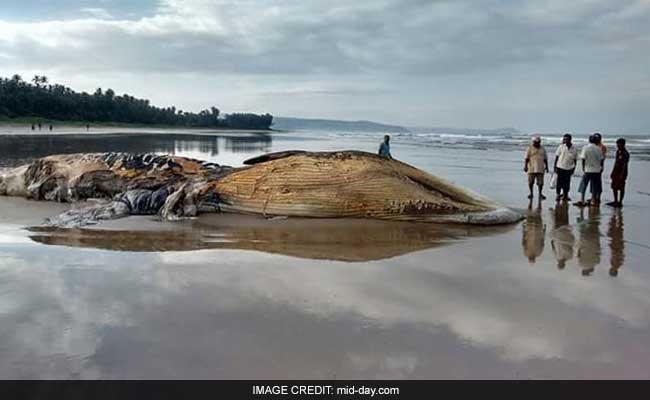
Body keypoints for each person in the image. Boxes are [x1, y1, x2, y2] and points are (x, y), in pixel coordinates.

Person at [574, 135, 604, 207]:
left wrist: (583, 167)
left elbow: (583, 158)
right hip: (596, 170)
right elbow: (601, 159)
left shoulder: (586, 148)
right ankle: (593, 200)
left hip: (588, 169)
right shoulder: (598, 149)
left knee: (584, 184)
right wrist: (601, 167)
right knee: (594, 185)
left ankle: (582, 199)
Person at [553, 133, 578, 201]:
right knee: (559, 182)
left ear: (570, 140)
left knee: (567, 183)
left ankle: (565, 195)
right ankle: (558, 195)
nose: (564, 140)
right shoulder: (561, 147)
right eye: (564, 139)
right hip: (560, 167)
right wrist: (555, 167)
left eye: (566, 139)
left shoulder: (574, 148)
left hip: (569, 168)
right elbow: (557, 157)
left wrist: (574, 168)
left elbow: (575, 159)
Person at [607, 138, 630, 208]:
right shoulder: (618, 152)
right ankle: (615, 200)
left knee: (621, 187)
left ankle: (620, 202)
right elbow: (616, 162)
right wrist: (612, 171)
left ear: (623, 144)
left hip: (622, 172)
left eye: (618, 144)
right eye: (617, 144)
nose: (617, 145)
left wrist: (622, 174)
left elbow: (625, 165)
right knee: (614, 187)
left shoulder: (625, 153)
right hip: (616, 171)